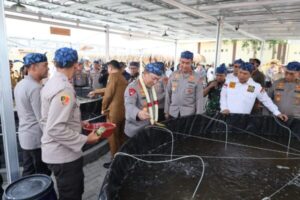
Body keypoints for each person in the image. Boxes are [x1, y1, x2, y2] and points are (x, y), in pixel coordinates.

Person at [41, 47, 101, 200]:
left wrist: (78, 123)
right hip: (63, 155)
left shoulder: (51, 82)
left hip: (57, 151)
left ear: (55, 64)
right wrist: (86, 139)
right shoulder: (64, 90)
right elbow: (55, 128)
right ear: (76, 65)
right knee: (71, 194)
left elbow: (49, 118)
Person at [14, 53, 51, 177]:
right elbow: (42, 118)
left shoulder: (20, 84)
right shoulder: (35, 88)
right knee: (41, 176)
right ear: (34, 67)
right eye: (45, 65)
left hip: (26, 136)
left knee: (28, 172)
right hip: (36, 139)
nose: (48, 68)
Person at [220, 62, 288, 121]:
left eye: (245, 74)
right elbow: (223, 96)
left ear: (250, 74)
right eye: (240, 72)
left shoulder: (256, 87)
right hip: (226, 117)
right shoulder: (229, 82)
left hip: (243, 120)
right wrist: (224, 108)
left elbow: (266, 100)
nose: (241, 76)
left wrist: (277, 113)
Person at [91, 60, 128, 168]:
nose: (108, 70)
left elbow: (108, 94)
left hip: (113, 112)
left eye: (108, 68)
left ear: (110, 68)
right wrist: (96, 91)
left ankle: (114, 161)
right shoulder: (121, 77)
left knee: (112, 137)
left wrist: (103, 108)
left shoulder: (112, 76)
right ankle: (121, 158)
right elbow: (110, 89)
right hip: (122, 111)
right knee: (120, 136)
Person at [124, 62, 164, 138]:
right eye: (153, 78)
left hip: (148, 129)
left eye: (158, 80)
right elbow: (129, 105)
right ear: (145, 74)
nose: (155, 82)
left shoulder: (150, 87)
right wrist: (138, 113)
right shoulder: (133, 87)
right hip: (135, 131)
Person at [165, 51, 204, 119]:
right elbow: (168, 93)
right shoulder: (173, 75)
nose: (184, 65)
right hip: (173, 113)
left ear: (191, 62)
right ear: (179, 61)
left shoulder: (197, 78)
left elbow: (199, 99)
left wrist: (198, 116)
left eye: (187, 63)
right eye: (182, 62)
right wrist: (166, 111)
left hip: (188, 115)